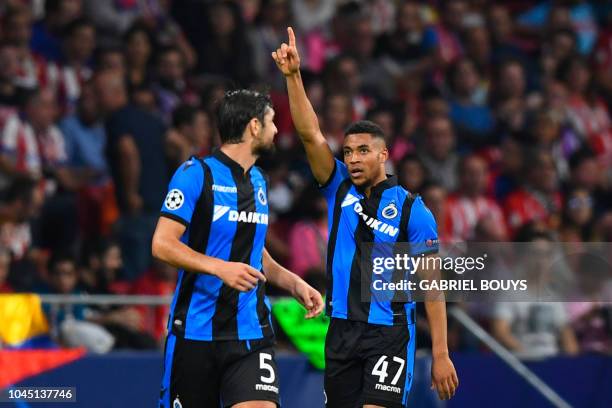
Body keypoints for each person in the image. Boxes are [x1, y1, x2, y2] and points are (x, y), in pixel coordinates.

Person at [272, 27, 458, 406]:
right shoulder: (337, 184)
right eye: (348, 151)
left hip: (388, 332)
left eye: (362, 151)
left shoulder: (412, 210)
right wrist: (293, 77)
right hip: (340, 331)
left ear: (383, 155)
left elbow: (432, 287)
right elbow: (310, 135)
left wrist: (440, 354)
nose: (353, 158)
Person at [151, 89, 324, 408]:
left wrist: (293, 282)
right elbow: (162, 244)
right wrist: (220, 267)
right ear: (254, 126)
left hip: (250, 329)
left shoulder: (259, 180)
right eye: (272, 122)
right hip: (196, 330)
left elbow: (254, 251)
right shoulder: (195, 174)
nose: (277, 131)